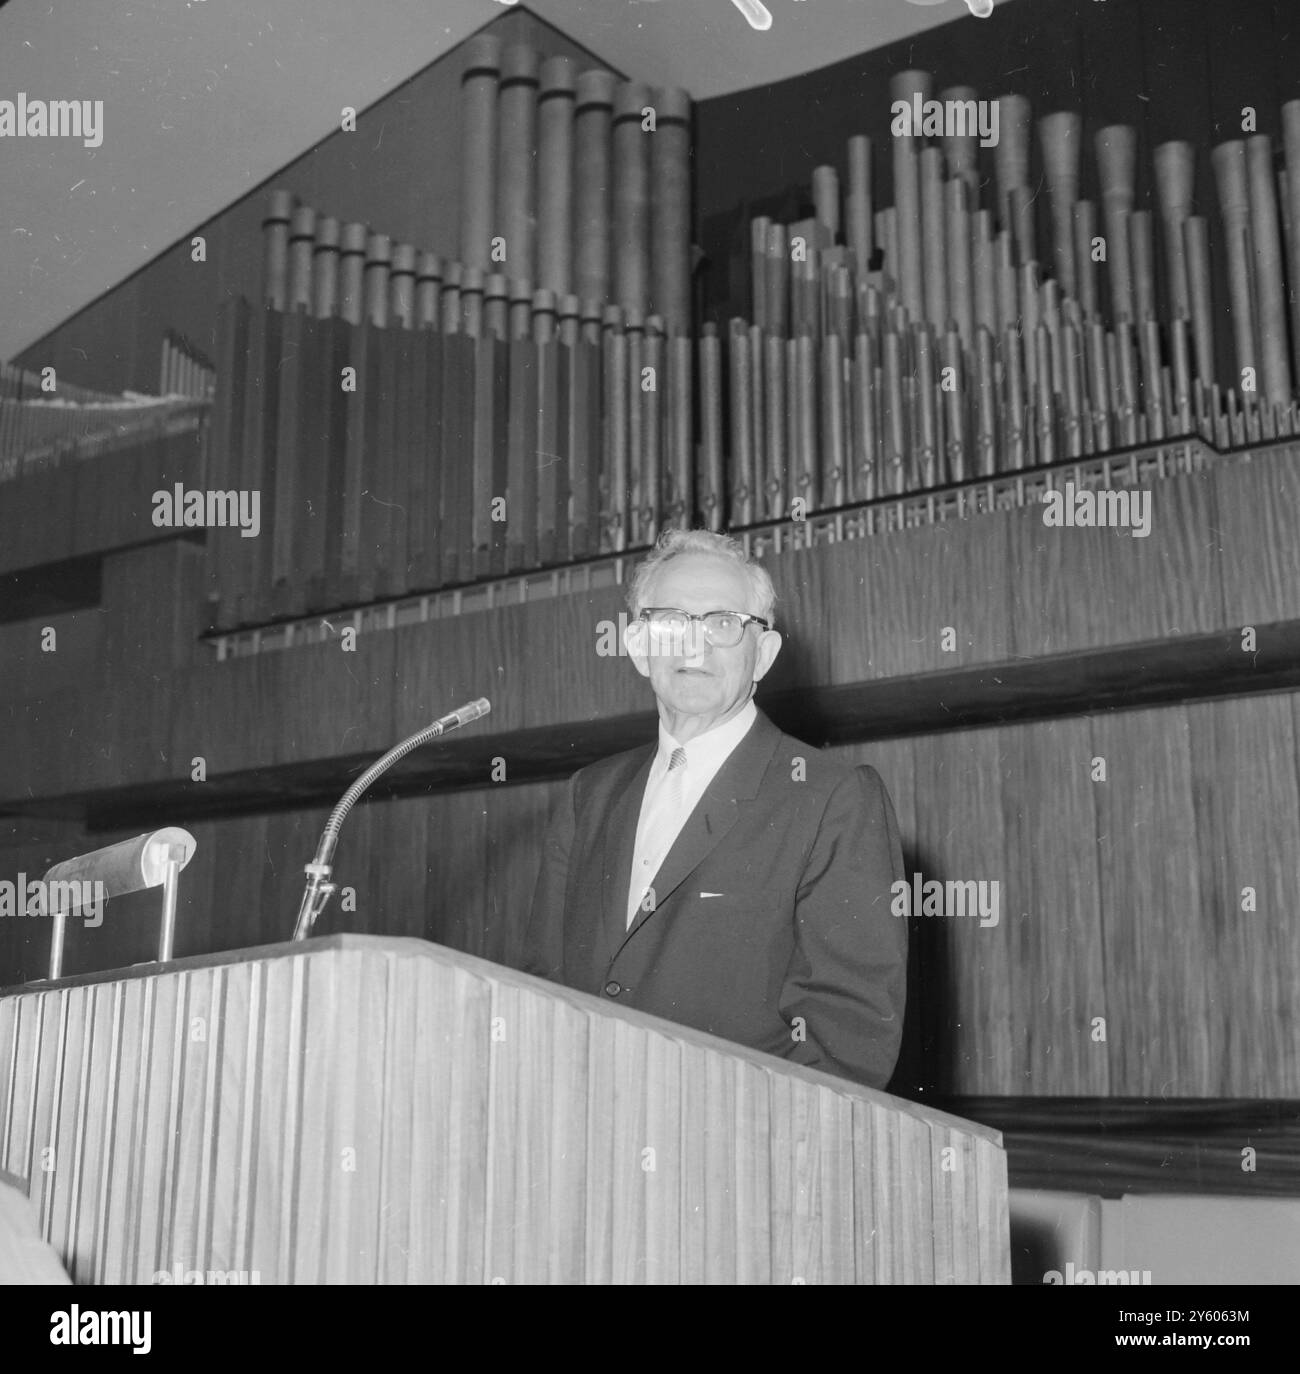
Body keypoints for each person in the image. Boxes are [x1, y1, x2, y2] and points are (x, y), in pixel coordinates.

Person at [522, 527, 907, 1090]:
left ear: (764, 654)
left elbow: (846, 1037)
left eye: (724, 624)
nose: (693, 647)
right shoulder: (590, 794)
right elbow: (543, 986)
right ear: (638, 645)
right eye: (671, 623)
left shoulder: (833, 796)